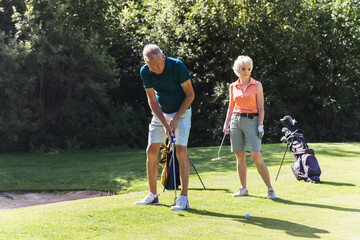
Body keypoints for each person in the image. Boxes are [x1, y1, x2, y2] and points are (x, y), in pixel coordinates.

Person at [135, 44, 195, 210]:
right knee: (151, 150)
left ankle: (183, 197)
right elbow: (152, 101)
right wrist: (164, 122)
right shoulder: (145, 71)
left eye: (158, 64)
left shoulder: (177, 66)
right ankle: (153, 195)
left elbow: (190, 94)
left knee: (181, 150)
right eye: (151, 66)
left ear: (163, 57)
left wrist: (175, 119)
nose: (155, 68)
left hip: (181, 112)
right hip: (161, 113)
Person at [223, 55, 275, 199]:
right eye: (243, 69)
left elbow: (261, 108)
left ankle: (269, 188)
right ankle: (243, 188)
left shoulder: (257, 85)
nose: (246, 71)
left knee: (255, 155)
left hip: (252, 121)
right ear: (237, 70)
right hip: (235, 120)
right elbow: (230, 106)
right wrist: (226, 122)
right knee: (239, 156)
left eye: (248, 69)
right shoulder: (233, 86)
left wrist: (260, 125)